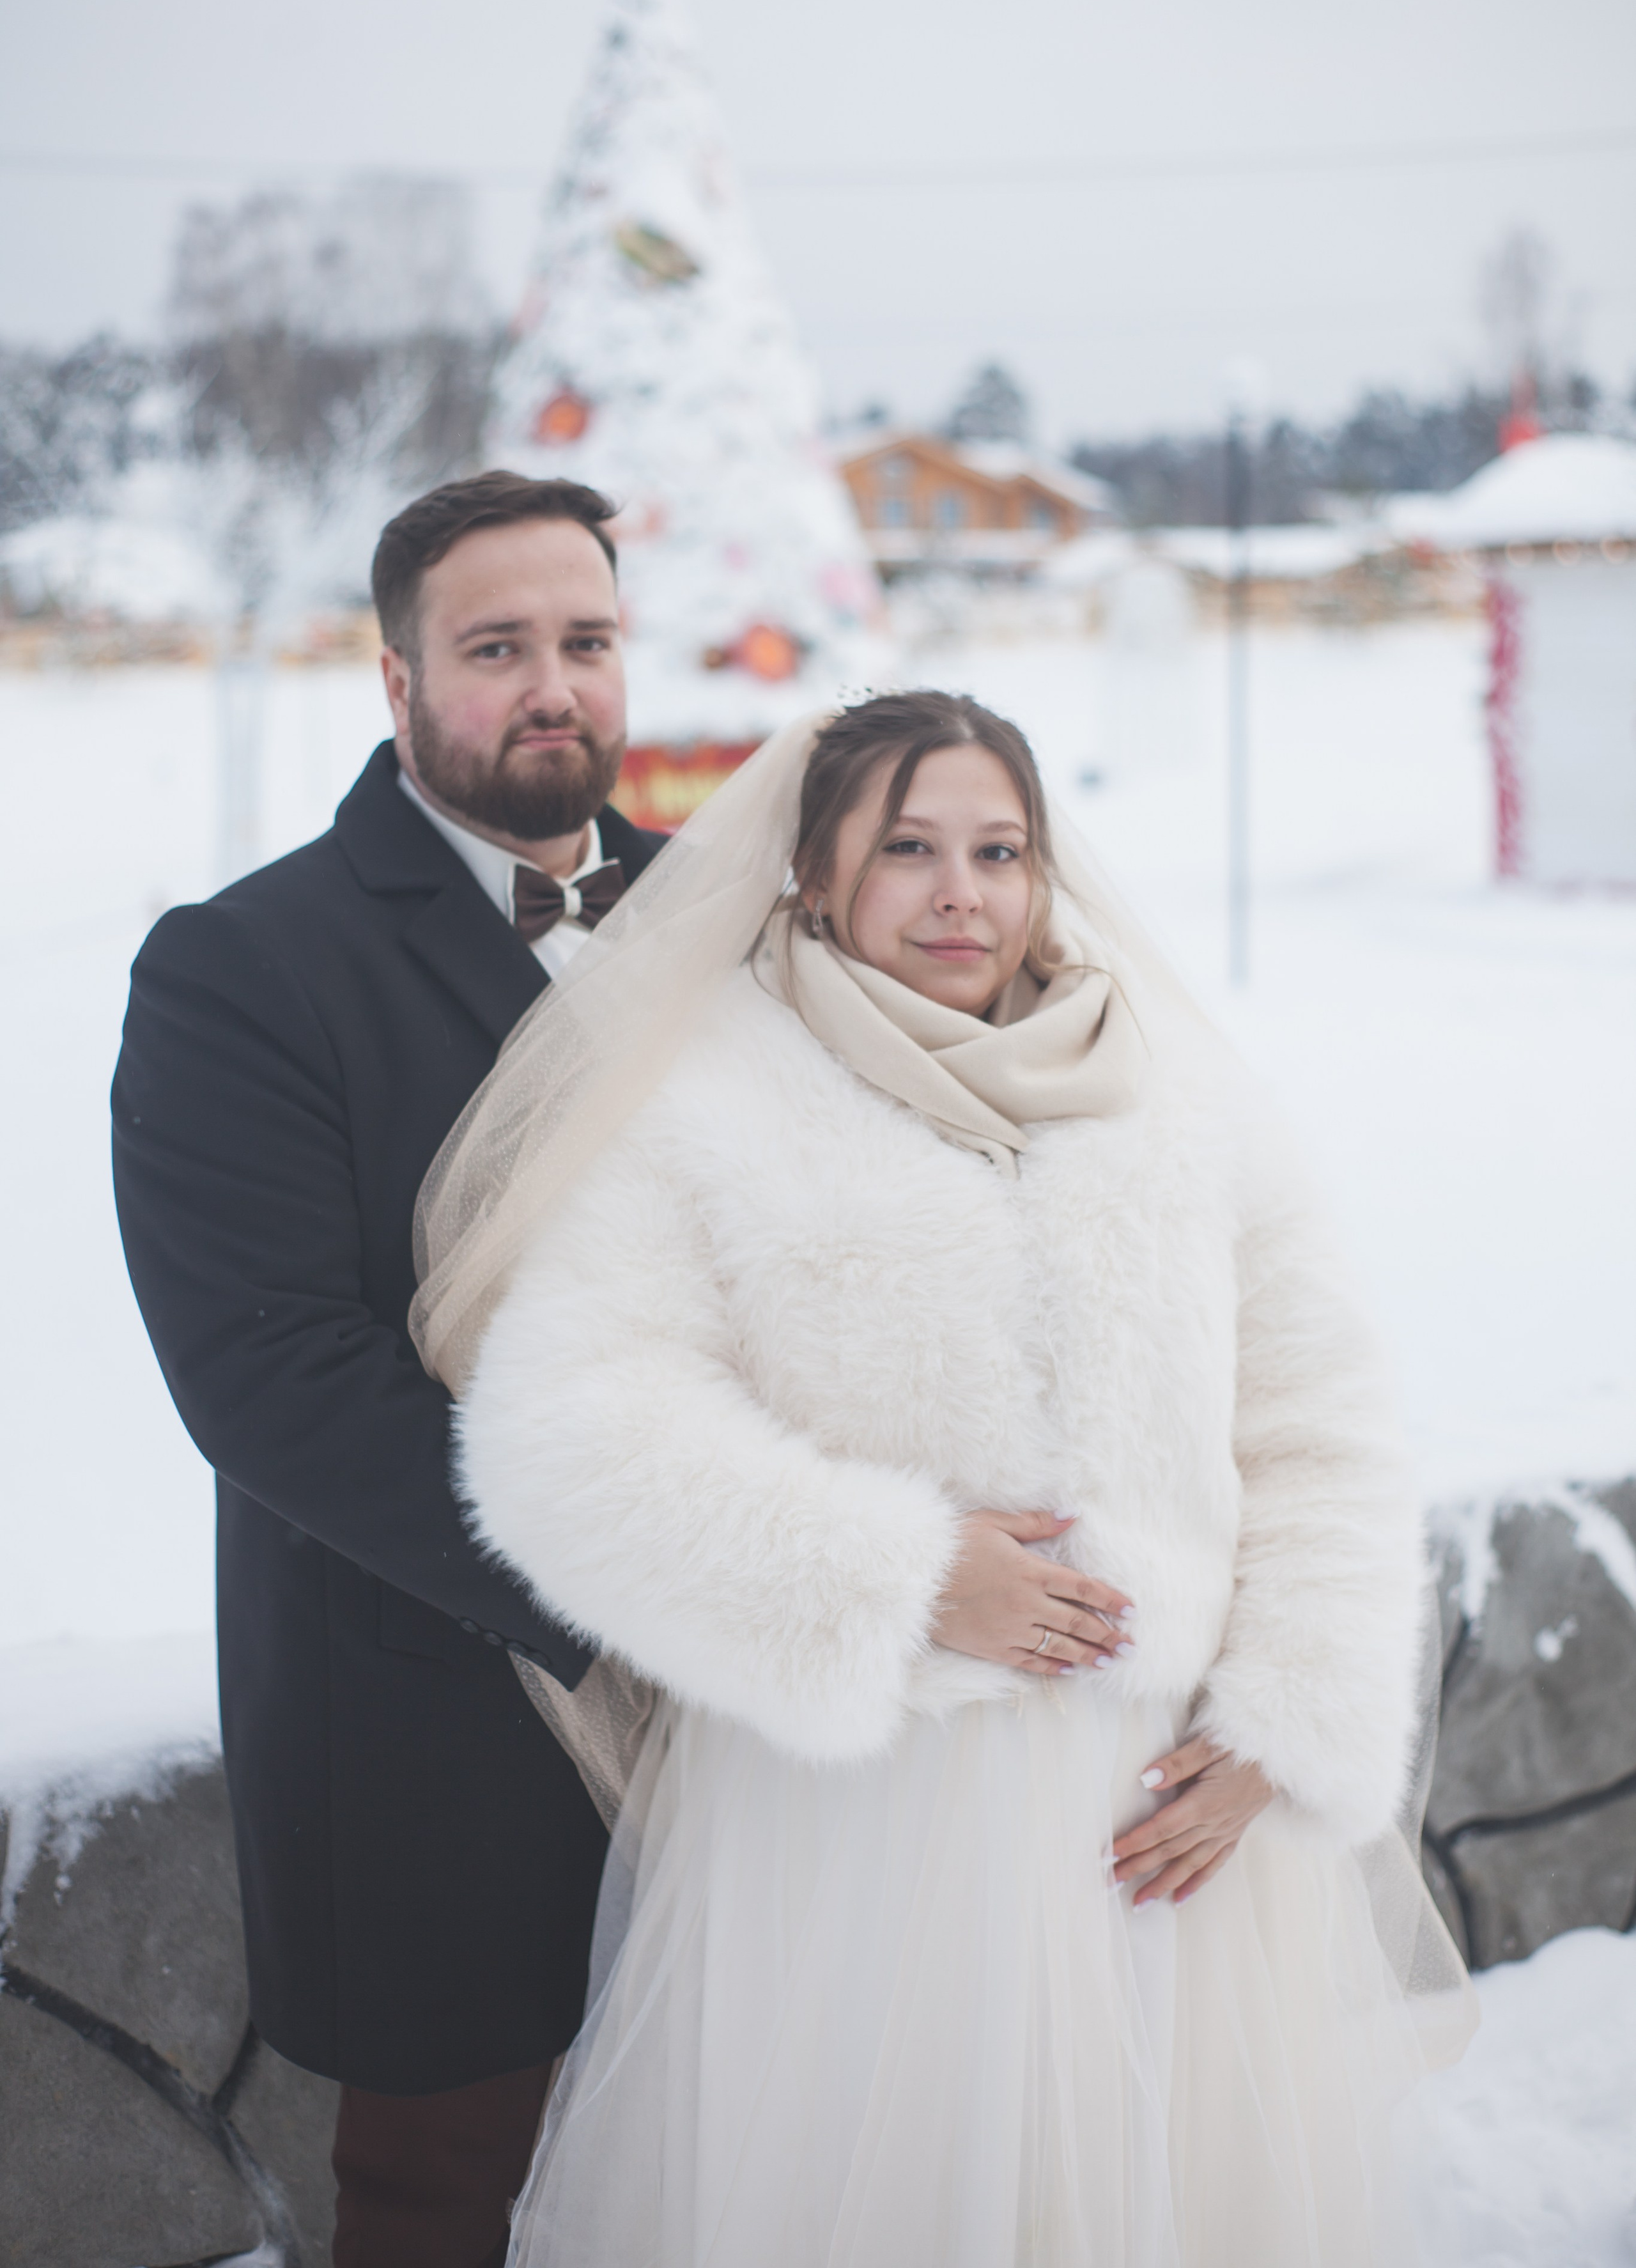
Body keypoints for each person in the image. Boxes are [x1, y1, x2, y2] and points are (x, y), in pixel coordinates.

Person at [417, 690, 1475, 2268]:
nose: (960, 891)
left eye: (999, 849)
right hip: (868, 1824)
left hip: (1165, 1819)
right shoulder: (710, 1100)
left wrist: (1282, 1722)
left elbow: (1317, 1427)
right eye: (905, 848)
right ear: (813, 876)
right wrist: (900, 1580)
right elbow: (568, 1432)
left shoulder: (1177, 1097)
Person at [111, 472, 667, 2268]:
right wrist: (646, 1576)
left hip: (760, 1707)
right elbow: (268, 1377)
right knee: (447, 2207)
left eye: (584, 642)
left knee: (730, 2157)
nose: (551, 686)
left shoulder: (737, 924)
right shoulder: (243, 968)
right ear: (399, 681)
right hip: (434, 1708)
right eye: (495, 649)